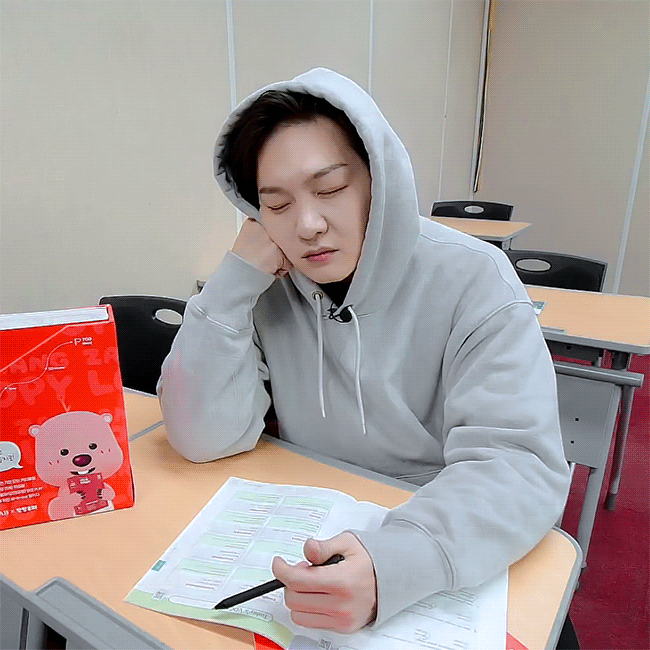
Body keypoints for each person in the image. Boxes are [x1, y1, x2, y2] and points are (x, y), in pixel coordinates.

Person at [158, 68, 570, 634]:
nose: (307, 225)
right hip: (307, 526)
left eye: (330, 189)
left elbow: (519, 465)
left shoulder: (475, 278)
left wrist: (395, 563)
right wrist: (232, 283)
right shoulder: (265, 283)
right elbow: (202, 438)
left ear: (381, 180)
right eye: (276, 205)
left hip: (443, 533)